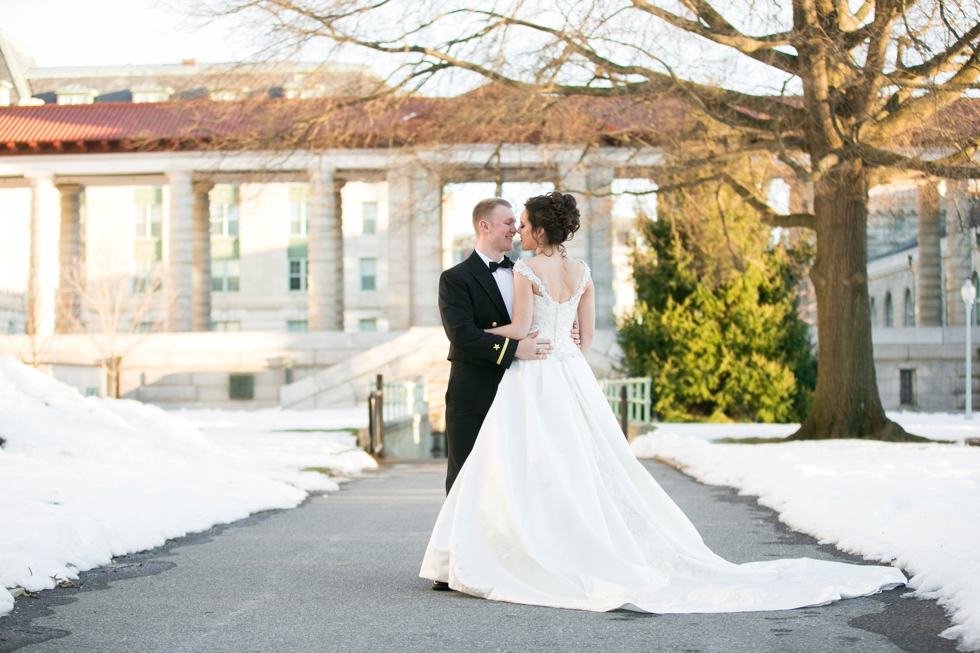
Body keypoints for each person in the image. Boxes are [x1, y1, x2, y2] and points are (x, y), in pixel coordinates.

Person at [421, 191, 906, 613]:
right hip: (569, 373)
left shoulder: (526, 267)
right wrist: (553, 343)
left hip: (535, 374)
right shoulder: (580, 270)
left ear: (538, 228)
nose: (517, 230)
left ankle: (535, 552)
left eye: (522, 224)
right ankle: (524, 548)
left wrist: (499, 337)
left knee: (538, 465)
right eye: (511, 224)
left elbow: (523, 328)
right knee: (569, 464)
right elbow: (584, 339)